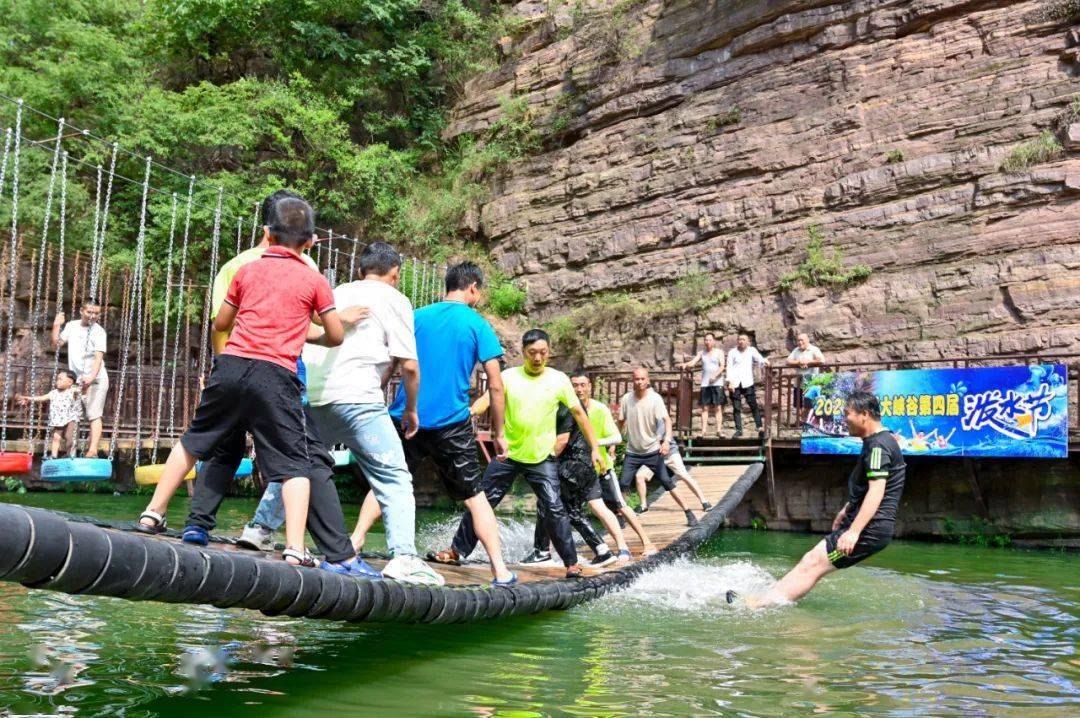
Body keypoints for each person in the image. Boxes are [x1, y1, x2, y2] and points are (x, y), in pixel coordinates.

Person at [133, 196, 367, 575]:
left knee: (194, 441)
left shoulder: (246, 270)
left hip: (231, 367)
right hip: (275, 376)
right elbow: (335, 334)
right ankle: (294, 549)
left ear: (268, 234)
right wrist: (316, 337)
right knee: (293, 464)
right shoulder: (314, 278)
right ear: (309, 241)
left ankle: (152, 514)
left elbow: (222, 322)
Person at [354, 261, 515, 584]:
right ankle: (500, 570)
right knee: (475, 496)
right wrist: (499, 433)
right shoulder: (477, 324)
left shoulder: (415, 317)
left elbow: (391, 365)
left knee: (386, 483)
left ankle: (354, 544)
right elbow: (496, 384)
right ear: (472, 288)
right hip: (451, 424)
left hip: (405, 417)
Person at [301, 241, 443, 586]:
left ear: (361, 269)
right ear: (395, 274)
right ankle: (404, 558)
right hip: (360, 400)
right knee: (393, 476)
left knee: (301, 468)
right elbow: (409, 366)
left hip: (317, 397)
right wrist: (410, 409)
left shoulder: (336, 291)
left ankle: (260, 529)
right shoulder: (394, 298)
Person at [444, 329, 605, 580]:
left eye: (542, 353)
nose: (538, 358)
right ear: (523, 352)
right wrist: (461, 417)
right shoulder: (508, 376)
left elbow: (579, 414)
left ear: (549, 352)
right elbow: (483, 403)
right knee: (481, 502)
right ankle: (457, 551)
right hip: (507, 454)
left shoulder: (559, 379)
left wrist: (595, 447)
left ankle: (571, 563)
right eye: (532, 353)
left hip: (541, 458)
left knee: (554, 508)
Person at [727, 391, 906, 607]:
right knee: (813, 562)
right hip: (868, 524)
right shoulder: (877, 441)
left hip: (870, 528)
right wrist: (848, 508)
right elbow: (869, 486)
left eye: (847, 413)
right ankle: (764, 601)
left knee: (813, 563)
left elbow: (877, 491)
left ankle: (757, 606)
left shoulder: (878, 445)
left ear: (864, 414)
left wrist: (854, 531)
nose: (844, 418)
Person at [524, 371, 634, 567]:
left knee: (548, 503)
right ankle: (602, 551)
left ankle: (542, 553)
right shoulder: (577, 406)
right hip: (585, 466)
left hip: (573, 466)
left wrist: (542, 461)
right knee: (570, 510)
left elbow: (562, 441)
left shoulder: (567, 406)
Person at [617, 367, 698, 525]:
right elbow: (621, 421)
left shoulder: (655, 399)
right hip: (633, 452)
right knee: (623, 484)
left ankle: (688, 512)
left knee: (667, 482)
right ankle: (622, 516)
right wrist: (617, 439)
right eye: (636, 379)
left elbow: (667, 421)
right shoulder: (626, 399)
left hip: (652, 450)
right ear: (632, 380)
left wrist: (667, 441)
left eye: (642, 379)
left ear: (647, 380)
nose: (639, 382)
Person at [51, 302, 107, 456]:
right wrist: (56, 325)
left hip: (96, 378)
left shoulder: (99, 332)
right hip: (77, 380)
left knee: (93, 413)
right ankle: (71, 451)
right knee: (72, 414)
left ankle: (92, 450)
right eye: (89, 312)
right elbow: (57, 343)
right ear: (81, 311)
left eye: (96, 313)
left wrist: (91, 377)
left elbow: (98, 357)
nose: (93, 316)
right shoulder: (72, 326)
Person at [634, 423, 711, 511]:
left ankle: (704, 501)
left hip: (670, 454)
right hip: (654, 457)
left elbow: (658, 437)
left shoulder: (659, 418)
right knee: (639, 476)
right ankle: (643, 505)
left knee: (684, 475)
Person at [17, 370, 82, 459]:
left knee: (70, 438)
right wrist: (28, 398)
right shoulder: (54, 393)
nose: (57, 381)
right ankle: (54, 455)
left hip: (71, 419)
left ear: (70, 382)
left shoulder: (72, 391)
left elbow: (82, 390)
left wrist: (84, 383)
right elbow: (41, 398)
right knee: (56, 438)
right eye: (57, 379)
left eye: (60, 379)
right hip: (58, 420)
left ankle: (71, 455)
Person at [678, 333, 726, 437]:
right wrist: (685, 365)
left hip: (717, 383)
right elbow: (693, 362)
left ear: (713, 341)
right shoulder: (702, 353)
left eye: (709, 340)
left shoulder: (719, 352)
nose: (707, 342)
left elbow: (722, 366)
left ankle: (719, 431)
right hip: (705, 384)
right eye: (706, 340)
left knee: (718, 407)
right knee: (704, 408)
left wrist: (715, 376)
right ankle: (703, 431)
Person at [726, 334, 768, 437]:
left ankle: (759, 428)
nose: (741, 341)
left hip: (747, 382)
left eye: (743, 339)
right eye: (739, 339)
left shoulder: (751, 350)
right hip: (735, 383)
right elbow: (729, 367)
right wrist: (729, 382)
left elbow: (760, 359)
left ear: (747, 341)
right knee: (736, 407)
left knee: (753, 405)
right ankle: (739, 430)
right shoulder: (732, 352)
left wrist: (765, 361)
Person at [786, 332, 825, 414]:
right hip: (799, 382)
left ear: (807, 340)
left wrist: (808, 362)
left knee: (810, 405)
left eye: (802, 340)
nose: (800, 342)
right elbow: (788, 361)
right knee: (798, 405)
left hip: (810, 382)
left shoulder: (814, 349)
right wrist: (799, 362)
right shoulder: (796, 350)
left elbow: (821, 360)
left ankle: (809, 424)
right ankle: (799, 423)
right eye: (798, 340)